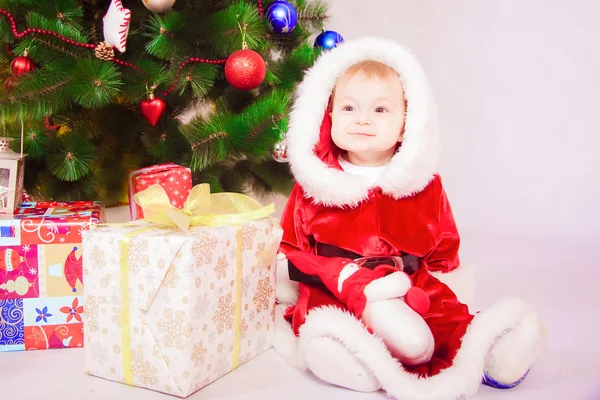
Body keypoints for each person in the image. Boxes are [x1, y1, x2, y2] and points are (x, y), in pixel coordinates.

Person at [273, 37, 547, 400]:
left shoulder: (423, 185)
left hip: (411, 281)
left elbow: (444, 248)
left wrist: (444, 286)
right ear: (329, 116)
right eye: (349, 108)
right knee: (332, 324)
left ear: (406, 125)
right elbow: (290, 250)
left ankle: (494, 355)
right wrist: (333, 278)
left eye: (381, 110)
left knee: (447, 317)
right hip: (338, 287)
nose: (363, 120)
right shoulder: (314, 186)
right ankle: (346, 357)